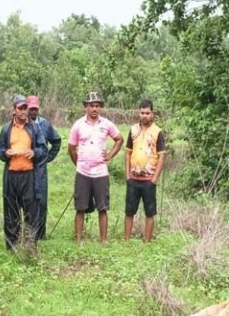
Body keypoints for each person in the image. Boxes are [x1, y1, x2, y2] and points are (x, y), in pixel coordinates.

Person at [68, 92, 123, 243]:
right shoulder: (78, 125)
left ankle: (103, 241)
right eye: (91, 105)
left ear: (100, 108)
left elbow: (119, 139)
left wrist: (110, 155)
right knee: (80, 207)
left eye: (97, 106)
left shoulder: (106, 124)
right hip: (83, 172)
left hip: (101, 172)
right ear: (86, 106)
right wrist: (79, 163)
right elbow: (71, 148)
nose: (94, 109)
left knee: (102, 208)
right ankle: (78, 241)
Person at [0, 95, 46, 251]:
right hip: (11, 175)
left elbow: (43, 149)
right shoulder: (6, 129)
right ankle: (12, 246)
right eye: (21, 108)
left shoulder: (34, 127)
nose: (24, 111)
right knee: (11, 211)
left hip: (29, 175)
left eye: (25, 108)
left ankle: (30, 244)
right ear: (14, 110)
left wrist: (34, 152)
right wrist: (6, 153)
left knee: (31, 211)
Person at [124, 99, 167, 243]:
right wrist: (127, 175)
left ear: (152, 113)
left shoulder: (157, 132)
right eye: (142, 113)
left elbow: (161, 157)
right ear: (139, 112)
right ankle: (127, 240)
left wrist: (154, 179)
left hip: (149, 180)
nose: (144, 116)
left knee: (150, 212)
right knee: (129, 211)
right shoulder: (133, 130)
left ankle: (147, 241)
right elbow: (128, 153)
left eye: (147, 113)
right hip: (133, 179)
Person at [27, 95, 61, 239]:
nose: (33, 112)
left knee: (41, 201)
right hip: (26, 168)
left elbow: (56, 141)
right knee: (28, 200)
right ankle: (28, 233)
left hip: (40, 169)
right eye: (31, 109)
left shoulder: (45, 124)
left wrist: (48, 158)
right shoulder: (23, 125)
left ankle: (41, 234)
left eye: (35, 109)